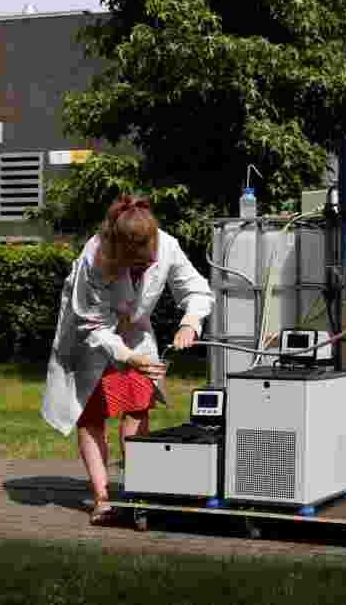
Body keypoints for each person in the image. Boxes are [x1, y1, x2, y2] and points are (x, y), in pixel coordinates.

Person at [42, 193, 215, 525]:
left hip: (133, 332)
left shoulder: (166, 245)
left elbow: (196, 289)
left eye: (147, 264)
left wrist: (191, 321)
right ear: (119, 252)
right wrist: (126, 356)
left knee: (136, 404)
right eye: (135, 265)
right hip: (88, 340)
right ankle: (102, 497)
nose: (143, 269)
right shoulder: (94, 256)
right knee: (91, 415)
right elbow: (91, 323)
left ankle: (138, 490)